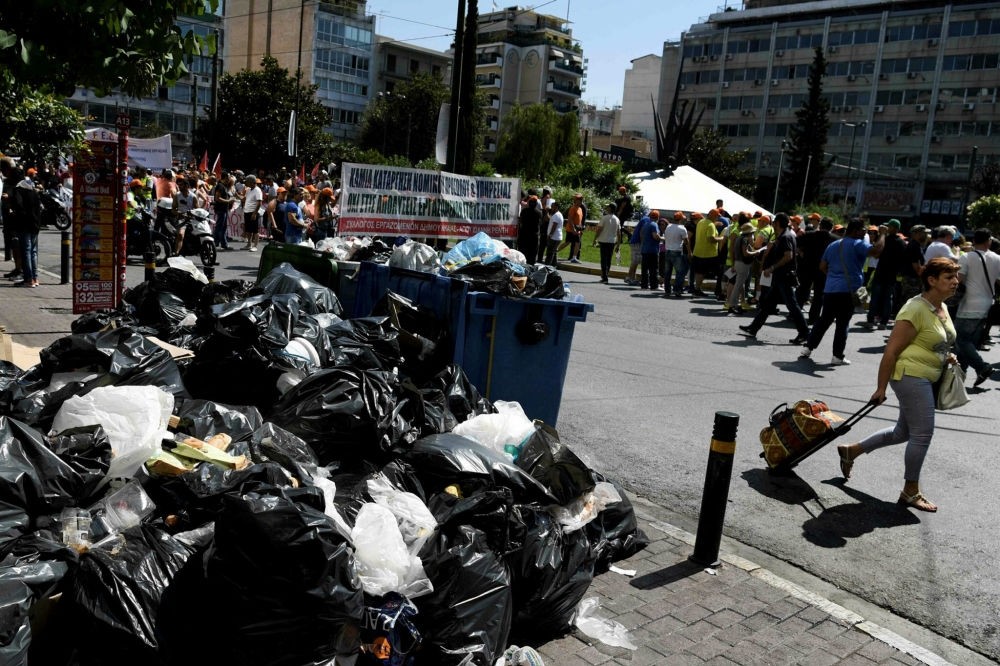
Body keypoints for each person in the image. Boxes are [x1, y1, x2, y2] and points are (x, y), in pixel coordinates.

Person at [836, 257, 961, 513]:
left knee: (902, 432)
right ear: (932, 280)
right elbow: (891, 352)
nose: (955, 282)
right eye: (949, 278)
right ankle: (910, 490)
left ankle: (852, 450)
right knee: (923, 434)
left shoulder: (941, 307)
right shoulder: (914, 309)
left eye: (956, 277)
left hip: (928, 376)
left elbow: (937, 339)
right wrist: (880, 388)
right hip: (910, 376)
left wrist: (945, 354)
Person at [799, 219, 887, 365]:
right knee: (842, 323)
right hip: (848, 291)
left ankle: (807, 348)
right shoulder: (857, 243)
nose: (865, 233)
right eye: (863, 230)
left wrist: (834, 277)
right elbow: (877, 252)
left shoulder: (833, 245)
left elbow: (822, 266)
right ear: (855, 230)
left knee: (823, 320)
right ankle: (837, 356)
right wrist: (883, 235)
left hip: (831, 289)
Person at [738, 212, 810, 343]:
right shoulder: (785, 235)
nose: (774, 224)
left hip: (784, 276)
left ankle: (805, 333)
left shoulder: (786, 237)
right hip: (781, 277)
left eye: (774, 222)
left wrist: (772, 268)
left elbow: (788, 256)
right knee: (767, 304)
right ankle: (753, 328)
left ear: (777, 223)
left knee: (792, 306)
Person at [954, 228, 1000, 387]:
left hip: (968, 304)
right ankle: (959, 377)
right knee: (969, 343)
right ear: (989, 241)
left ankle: (982, 367)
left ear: (973, 241)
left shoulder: (966, 257)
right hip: (987, 305)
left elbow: (958, 280)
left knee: (960, 341)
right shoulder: (997, 258)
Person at [795, 217, 837, 323]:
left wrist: (801, 253)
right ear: (831, 227)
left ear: (820, 225)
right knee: (819, 295)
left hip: (807, 267)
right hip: (823, 270)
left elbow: (795, 243)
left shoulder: (809, 234)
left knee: (803, 290)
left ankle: (795, 314)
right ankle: (813, 317)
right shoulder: (835, 239)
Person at [727, 221, 764, 314]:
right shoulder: (744, 239)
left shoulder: (739, 238)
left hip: (737, 263)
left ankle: (736, 304)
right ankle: (732, 305)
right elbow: (745, 253)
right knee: (738, 285)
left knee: (739, 285)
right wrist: (756, 252)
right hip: (743, 264)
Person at [691, 208, 724, 296]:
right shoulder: (711, 225)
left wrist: (714, 224)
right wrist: (722, 238)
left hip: (698, 252)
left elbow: (706, 228)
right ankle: (720, 291)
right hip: (709, 254)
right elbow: (711, 239)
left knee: (699, 272)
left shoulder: (701, 222)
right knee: (721, 272)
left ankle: (697, 289)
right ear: (713, 216)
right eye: (717, 216)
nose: (718, 218)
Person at [662, 211, 690, 297]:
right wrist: (689, 252)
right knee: (680, 272)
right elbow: (686, 241)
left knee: (667, 272)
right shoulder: (682, 228)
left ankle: (667, 290)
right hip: (677, 251)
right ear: (681, 219)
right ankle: (677, 289)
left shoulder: (668, 226)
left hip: (668, 250)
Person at [593, 202, 620, 283]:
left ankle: (604, 277)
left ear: (611, 208)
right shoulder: (617, 219)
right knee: (608, 259)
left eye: (608, 207)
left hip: (604, 241)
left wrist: (595, 239)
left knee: (603, 259)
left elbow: (599, 229)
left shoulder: (604, 218)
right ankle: (606, 274)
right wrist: (618, 244)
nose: (606, 208)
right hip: (612, 242)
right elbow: (619, 232)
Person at [638, 210, 662, 289]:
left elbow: (641, 234)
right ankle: (654, 285)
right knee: (653, 269)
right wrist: (663, 239)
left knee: (644, 269)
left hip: (644, 249)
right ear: (658, 217)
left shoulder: (645, 224)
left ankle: (644, 285)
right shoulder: (654, 224)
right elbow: (655, 236)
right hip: (652, 250)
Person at [517, 190, 542, 264]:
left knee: (523, 256)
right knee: (532, 257)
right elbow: (540, 224)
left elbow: (521, 222)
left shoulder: (524, 211)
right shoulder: (539, 213)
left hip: (524, 236)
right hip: (533, 237)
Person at [558, 193, 584, 263]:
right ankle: (555, 251)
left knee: (577, 243)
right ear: (575, 200)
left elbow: (579, 220)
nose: (580, 201)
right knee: (567, 242)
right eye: (579, 200)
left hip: (577, 230)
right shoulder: (573, 208)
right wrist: (573, 229)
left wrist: (580, 229)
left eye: (581, 200)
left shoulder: (580, 209)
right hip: (571, 229)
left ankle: (574, 258)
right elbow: (570, 219)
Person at [212, 174, 235, 250]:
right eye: (228, 178)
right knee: (220, 226)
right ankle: (215, 243)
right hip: (221, 209)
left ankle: (223, 243)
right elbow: (217, 198)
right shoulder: (220, 186)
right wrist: (228, 201)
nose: (229, 180)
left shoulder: (224, 186)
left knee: (223, 227)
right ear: (224, 178)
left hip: (223, 209)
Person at [241, 175, 263, 251]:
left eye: (246, 182)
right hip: (247, 212)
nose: (245, 183)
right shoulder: (248, 190)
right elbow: (244, 199)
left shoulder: (257, 190)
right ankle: (249, 244)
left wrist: (254, 213)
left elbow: (259, 202)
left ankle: (255, 246)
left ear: (251, 182)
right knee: (248, 230)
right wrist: (236, 195)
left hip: (253, 212)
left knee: (255, 230)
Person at [543, 201, 564, 266]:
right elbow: (548, 220)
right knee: (553, 252)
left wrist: (550, 235)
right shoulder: (557, 214)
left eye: (552, 206)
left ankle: (547, 266)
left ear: (556, 207)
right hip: (557, 237)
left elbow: (554, 226)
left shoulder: (557, 215)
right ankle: (554, 265)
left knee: (550, 253)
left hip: (554, 237)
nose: (551, 208)